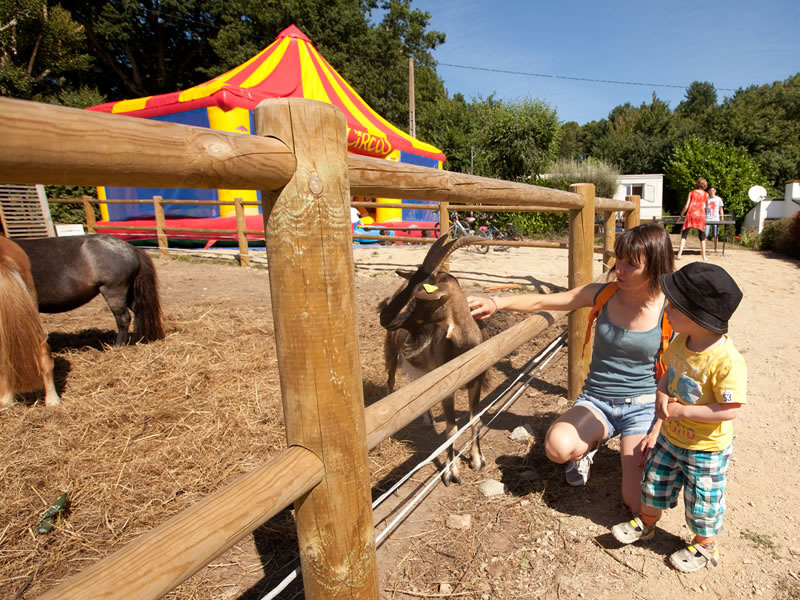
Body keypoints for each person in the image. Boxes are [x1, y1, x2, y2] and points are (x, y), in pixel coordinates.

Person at [468, 223, 674, 514]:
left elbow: (685, 371)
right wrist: (497, 302)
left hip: (642, 407)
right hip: (597, 401)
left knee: (637, 504)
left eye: (631, 265)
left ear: (654, 266)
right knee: (557, 448)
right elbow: (545, 300)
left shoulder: (670, 307)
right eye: (618, 260)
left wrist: (660, 427)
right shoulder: (604, 293)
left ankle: (632, 451)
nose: (620, 270)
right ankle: (587, 449)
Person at [611, 262, 746, 573]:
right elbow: (667, 377)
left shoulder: (727, 362)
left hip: (706, 448)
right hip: (671, 438)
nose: (666, 308)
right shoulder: (679, 343)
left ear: (697, 316)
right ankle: (647, 522)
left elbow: (731, 409)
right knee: (655, 481)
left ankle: (705, 543)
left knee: (703, 499)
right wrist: (661, 395)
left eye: (674, 305)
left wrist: (683, 411)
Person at [676, 177, 709, 261]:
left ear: (697, 184)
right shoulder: (706, 194)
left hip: (691, 214)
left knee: (684, 234)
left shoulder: (691, 193)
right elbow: (707, 206)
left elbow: (686, 206)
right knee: (702, 236)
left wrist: (681, 216)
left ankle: (679, 254)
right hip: (700, 215)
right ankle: (704, 256)